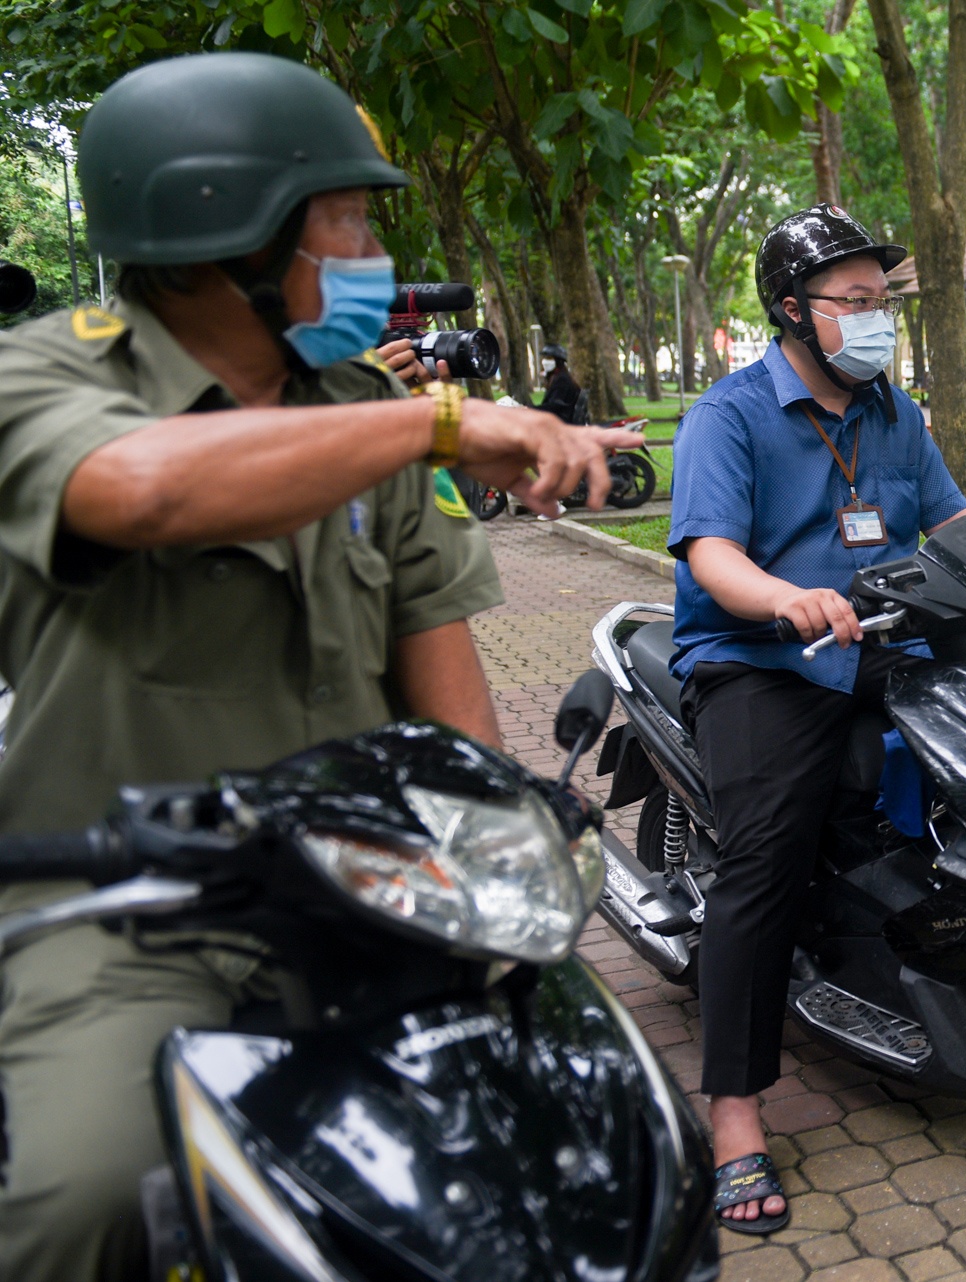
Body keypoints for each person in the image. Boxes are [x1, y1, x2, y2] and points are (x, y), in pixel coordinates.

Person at [0, 53, 643, 1280]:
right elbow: (137, 491)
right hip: (130, 912)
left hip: (369, 889)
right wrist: (438, 421)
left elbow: (443, 677)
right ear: (226, 234)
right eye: (346, 220)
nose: (374, 255)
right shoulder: (45, 374)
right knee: (88, 1186)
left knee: (567, 1159)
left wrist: (501, 856)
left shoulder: (355, 404)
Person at [668, 204, 966, 1234]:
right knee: (762, 866)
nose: (876, 318)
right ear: (792, 311)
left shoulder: (895, 413)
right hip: (766, 661)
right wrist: (787, 600)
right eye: (854, 301)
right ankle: (734, 1116)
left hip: (891, 642)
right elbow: (712, 555)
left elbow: (952, 519)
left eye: (882, 301)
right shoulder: (728, 415)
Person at [539, 341, 591, 425]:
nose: (545, 361)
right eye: (545, 358)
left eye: (549, 358)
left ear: (558, 361)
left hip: (563, 424)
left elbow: (554, 407)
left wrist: (529, 409)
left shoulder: (562, 380)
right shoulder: (557, 377)